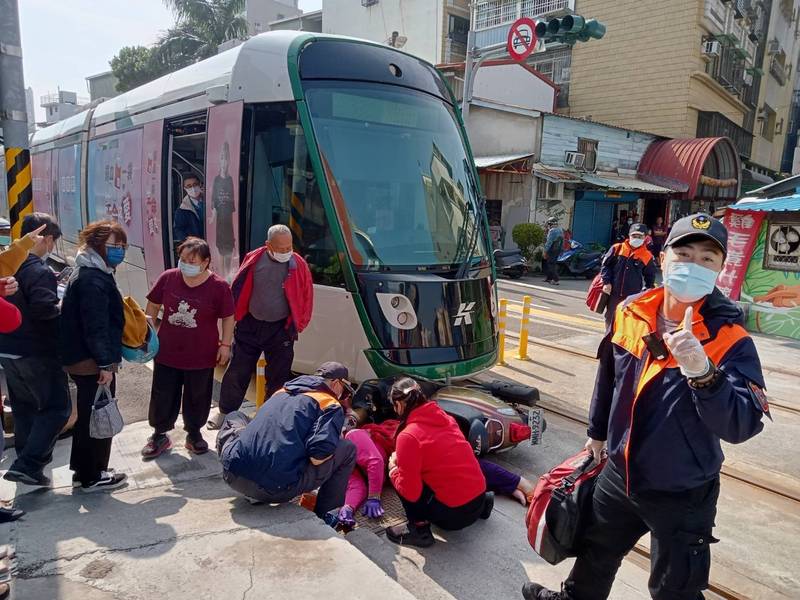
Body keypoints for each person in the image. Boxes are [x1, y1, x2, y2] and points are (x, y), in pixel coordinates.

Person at [523, 214, 769, 600]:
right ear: (663, 258)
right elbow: (608, 376)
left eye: (707, 259)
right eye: (684, 253)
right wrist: (596, 434)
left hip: (683, 490)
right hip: (619, 474)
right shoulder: (631, 311)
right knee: (594, 556)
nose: (693, 265)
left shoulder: (731, 338)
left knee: (675, 590)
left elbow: (742, 425)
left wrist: (704, 373)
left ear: (721, 268)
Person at [216, 362, 356, 524]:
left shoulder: (281, 392)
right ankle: (327, 515)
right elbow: (318, 457)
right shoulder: (330, 404)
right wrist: (330, 440)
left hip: (233, 475)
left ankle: (252, 481)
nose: (342, 397)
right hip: (274, 490)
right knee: (347, 448)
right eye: (344, 393)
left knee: (235, 416)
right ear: (336, 383)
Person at [208, 224, 313, 429]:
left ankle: (269, 417)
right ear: (268, 245)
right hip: (250, 324)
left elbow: (306, 293)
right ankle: (225, 413)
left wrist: (300, 322)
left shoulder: (298, 264)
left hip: (281, 328)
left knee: (278, 376)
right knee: (238, 370)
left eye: (288, 247)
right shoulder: (255, 259)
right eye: (280, 248)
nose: (285, 252)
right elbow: (238, 286)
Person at [141, 237, 235, 459]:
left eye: (192, 261)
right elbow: (153, 305)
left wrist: (225, 345)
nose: (185, 264)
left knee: (198, 395)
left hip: (201, 354)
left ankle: (194, 434)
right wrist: (148, 333)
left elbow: (228, 317)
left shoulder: (219, 287)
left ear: (206, 262)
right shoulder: (168, 278)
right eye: (183, 259)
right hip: (167, 351)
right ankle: (159, 434)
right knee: (163, 393)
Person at [0, 214, 70, 488]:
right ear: (47, 239)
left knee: (24, 407)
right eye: (52, 242)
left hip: (7, 350)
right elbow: (44, 310)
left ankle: (25, 461)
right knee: (57, 407)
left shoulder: (8, 265)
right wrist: (61, 308)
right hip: (35, 350)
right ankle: (28, 464)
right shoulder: (38, 271)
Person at [385, 378, 494, 548]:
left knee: (402, 475)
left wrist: (393, 469)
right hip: (479, 499)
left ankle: (419, 530)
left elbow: (411, 492)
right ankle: (485, 504)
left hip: (454, 517)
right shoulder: (447, 418)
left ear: (399, 404)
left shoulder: (408, 436)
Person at [60, 220, 128, 492]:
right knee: (97, 416)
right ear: (97, 244)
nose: (120, 251)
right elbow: (96, 326)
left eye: (122, 246)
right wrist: (105, 364)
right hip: (91, 362)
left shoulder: (90, 270)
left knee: (92, 415)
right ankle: (92, 476)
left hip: (83, 358)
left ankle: (86, 470)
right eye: (114, 246)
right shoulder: (92, 279)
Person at [599, 223, 657, 329]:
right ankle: (608, 343)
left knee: (627, 323)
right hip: (614, 293)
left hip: (632, 296)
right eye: (634, 236)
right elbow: (605, 266)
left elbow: (650, 276)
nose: (637, 238)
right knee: (611, 320)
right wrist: (606, 282)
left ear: (645, 238)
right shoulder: (617, 248)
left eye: (640, 236)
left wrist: (647, 291)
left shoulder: (647, 256)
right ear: (629, 236)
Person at [211, 142, 236, 276]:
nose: (224, 162)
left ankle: (228, 275)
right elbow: (213, 201)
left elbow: (233, 205)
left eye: (226, 158)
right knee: (221, 248)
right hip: (220, 221)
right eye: (222, 158)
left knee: (229, 248)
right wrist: (213, 216)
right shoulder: (216, 180)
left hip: (229, 221)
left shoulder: (231, 179)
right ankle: (222, 276)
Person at [173, 174, 204, 244]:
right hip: (199, 248)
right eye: (189, 186)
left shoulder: (210, 200)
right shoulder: (182, 209)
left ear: (200, 184)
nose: (193, 188)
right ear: (185, 188)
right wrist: (190, 244)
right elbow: (178, 230)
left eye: (195, 184)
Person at [543, 217, 563, 286]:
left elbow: (549, 242)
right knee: (551, 263)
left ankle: (555, 279)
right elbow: (562, 241)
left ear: (550, 224)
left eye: (549, 224)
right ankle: (549, 278)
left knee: (551, 264)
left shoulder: (552, 231)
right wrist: (561, 250)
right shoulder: (560, 230)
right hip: (558, 249)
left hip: (552, 249)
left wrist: (545, 251)